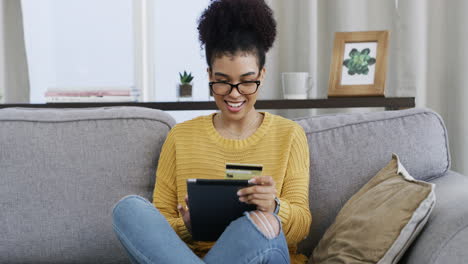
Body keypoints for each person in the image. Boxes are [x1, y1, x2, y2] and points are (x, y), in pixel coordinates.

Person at [112, 0, 311, 263]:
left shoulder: (290, 135)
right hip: (194, 256)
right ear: (209, 76)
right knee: (129, 210)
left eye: (247, 82)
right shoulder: (180, 137)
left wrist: (273, 206)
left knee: (257, 224)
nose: (235, 94)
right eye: (223, 83)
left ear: (262, 74)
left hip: (262, 252)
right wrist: (188, 227)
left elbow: (302, 226)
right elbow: (160, 224)